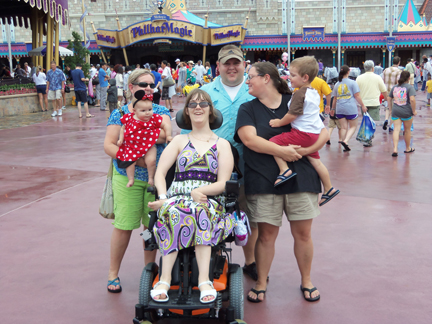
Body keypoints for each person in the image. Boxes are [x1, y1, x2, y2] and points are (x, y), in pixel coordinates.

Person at [235, 61, 328, 303]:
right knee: (265, 235)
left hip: (302, 178)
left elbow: (322, 131)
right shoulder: (248, 108)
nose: (247, 82)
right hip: (264, 179)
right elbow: (249, 140)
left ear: (266, 78)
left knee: (304, 234)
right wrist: (285, 152)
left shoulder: (297, 98)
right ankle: (261, 281)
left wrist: (309, 150)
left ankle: (306, 280)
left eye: (251, 77)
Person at [147, 89, 235, 303]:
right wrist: (162, 196)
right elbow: (160, 173)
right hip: (176, 198)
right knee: (175, 210)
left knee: (200, 210)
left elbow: (224, 182)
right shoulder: (179, 141)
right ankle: (165, 279)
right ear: (186, 111)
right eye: (193, 104)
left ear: (210, 111)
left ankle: (204, 279)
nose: (198, 107)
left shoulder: (222, 144)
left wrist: (200, 192)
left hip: (209, 199)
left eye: (203, 104)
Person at [183, 44, 258, 281]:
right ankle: (207, 263)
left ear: (244, 65)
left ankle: (251, 261)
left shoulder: (255, 88)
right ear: (218, 66)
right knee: (208, 214)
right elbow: (187, 125)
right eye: (227, 63)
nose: (232, 67)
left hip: (252, 165)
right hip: (210, 170)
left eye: (236, 62)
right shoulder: (204, 92)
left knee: (249, 216)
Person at [104, 69, 171, 293]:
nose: (149, 88)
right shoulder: (119, 113)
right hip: (127, 178)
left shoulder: (160, 110)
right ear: (131, 87)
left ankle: (150, 271)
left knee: (151, 226)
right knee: (123, 226)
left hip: (156, 179)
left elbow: (166, 136)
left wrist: (137, 136)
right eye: (143, 84)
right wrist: (132, 157)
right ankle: (113, 273)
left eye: (152, 84)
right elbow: (110, 145)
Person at [267, 57, 339, 206]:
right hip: (313, 134)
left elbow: (293, 114)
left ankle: (284, 170)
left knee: (273, 144)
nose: (290, 78)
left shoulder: (299, 94)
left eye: (293, 75)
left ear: (305, 77)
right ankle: (329, 188)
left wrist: (279, 122)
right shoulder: (313, 92)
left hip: (302, 133)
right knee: (316, 162)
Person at [116, 91, 172, 188]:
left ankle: (151, 177)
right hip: (132, 146)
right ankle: (131, 179)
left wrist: (168, 135)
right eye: (143, 111)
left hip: (149, 145)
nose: (147, 113)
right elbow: (123, 128)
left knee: (151, 160)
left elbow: (166, 125)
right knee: (130, 161)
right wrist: (121, 139)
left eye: (150, 109)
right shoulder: (129, 118)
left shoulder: (154, 118)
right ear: (134, 111)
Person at [331, 65, 367, 152]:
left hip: (340, 108)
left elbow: (335, 98)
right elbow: (357, 95)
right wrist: (362, 105)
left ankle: (344, 143)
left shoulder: (337, 84)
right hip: (350, 107)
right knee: (353, 126)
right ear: (348, 72)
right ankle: (346, 141)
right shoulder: (352, 82)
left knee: (343, 127)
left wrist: (333, 109)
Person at [356, 60, 387, 146]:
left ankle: (367, 138)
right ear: (373, 68)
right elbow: (384, 90)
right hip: (374, 103)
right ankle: (368, 138)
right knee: (371, 122)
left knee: (366, 121)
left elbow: (356, 92)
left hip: (363, 103)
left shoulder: (359, 78)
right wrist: (386, 98)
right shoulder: (377, 77)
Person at [388, 71, 416, 157]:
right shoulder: (409, 87)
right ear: (408, 78)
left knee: (396, 130)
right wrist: (414, 111)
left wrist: (390, 109)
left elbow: (389, 98)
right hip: (406, 111)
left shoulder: (395, 87)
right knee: (407, 131)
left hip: (396, 111)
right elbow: (412, 100)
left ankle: (395, 149)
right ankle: (407, 148)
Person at [383, 56, 402, 131]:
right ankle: (391, 125)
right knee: (394, 108)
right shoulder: (399, 71)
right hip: (394, 91)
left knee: (388, 107)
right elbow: (398, 83)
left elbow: (383, 80)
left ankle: (386, 119)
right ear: (399, 62)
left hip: (387, 90)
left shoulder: (386, 70)